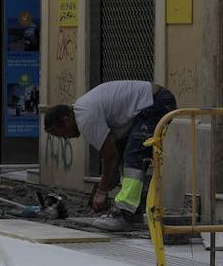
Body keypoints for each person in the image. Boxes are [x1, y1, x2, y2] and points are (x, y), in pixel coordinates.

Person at [44, 81, 177, 231]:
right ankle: (134, 213)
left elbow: (110, 156)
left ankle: (125, 215)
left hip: (155, 103)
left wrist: (102, 191)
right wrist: (108, 180)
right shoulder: (84, 109)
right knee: (130, 155)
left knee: (134, 156)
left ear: (66, 120)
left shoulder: (85, 119)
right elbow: (115, 151)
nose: (65, 138)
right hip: (151, 102)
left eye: (61, 134)